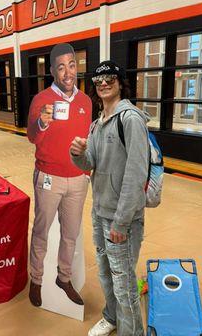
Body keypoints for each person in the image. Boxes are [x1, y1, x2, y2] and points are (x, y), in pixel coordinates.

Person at [70, 60, 149, 336]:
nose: (103, 83)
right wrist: (78, 153)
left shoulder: (131, 119)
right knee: (106, 275)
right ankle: (112, 317)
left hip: (121, 219)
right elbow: (88, 164)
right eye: (98, 79)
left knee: (124, 283)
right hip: (100, 213)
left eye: (110, 78)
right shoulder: (96, 125)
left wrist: (121, 222)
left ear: (120, 82)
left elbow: (136, 175)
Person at [27, 43, 92, 307]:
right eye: (61, 67)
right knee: (41, 231)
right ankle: (37, 279)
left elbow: (87, 140)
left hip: (77, 180)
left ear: (77, 67)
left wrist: (86, 172)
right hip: (48, 177)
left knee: (71, 233)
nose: (68, 72)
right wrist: (42, 122)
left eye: (72, 65)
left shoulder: (86, 102)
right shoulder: (41, 100)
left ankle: (63, 278)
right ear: (52, 70)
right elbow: (32, 136)